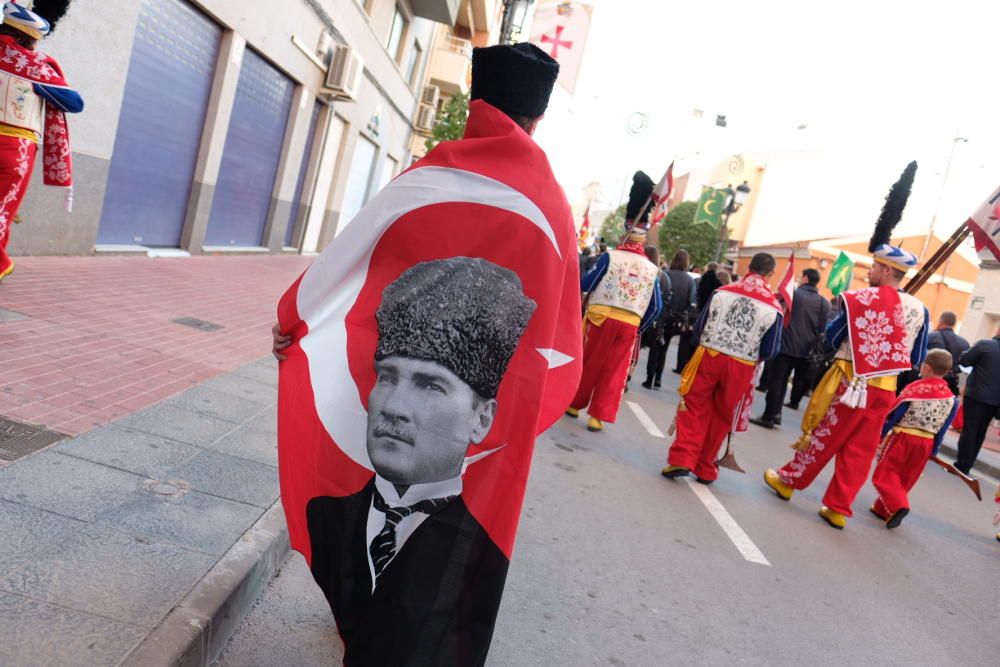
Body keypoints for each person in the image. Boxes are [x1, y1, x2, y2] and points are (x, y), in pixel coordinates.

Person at [273, 42, 583, 666]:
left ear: (475, 100)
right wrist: (515, 415)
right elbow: (562, 351)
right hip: (487, 412)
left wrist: (295, 319)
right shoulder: (552, 207)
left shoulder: (424, 178)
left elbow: (349, 259)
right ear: (537, 118)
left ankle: (358, 632)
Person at [306, 259, 534, 663]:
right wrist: (299, 341)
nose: (393, 407)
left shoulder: (482, 551)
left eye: (430, 385)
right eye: (388, 377)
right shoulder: (323, 515)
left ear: (481, 419)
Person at [764, 162, 929, 530]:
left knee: (825, 435)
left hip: (852, 381)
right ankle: (838, 507)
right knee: (860, 450)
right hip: (885, 390)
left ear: (887, 270)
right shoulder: (921, 308)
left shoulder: (861, 298)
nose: (869, 271)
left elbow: (836, 336)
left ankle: (789, 482)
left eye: (874, 266)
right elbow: (916, 358)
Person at [662, 253, 783, 484]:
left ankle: (682, 458)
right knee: (722, 415)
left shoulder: (724, 291)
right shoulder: (774, 306)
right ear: (770, 274)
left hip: (710, 354)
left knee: (694, 405)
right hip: (742, 365)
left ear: (749, 267)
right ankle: (705, 467)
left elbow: (699, 327)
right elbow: (770, 350)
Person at [568, 172, 662, 432]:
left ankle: (575, 404)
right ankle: (598, 416)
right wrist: (638, 326)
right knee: (615, 371)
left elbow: (587, 283)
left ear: (625, 231)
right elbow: (656, 308)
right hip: (629, 324)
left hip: (601, 319)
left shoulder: (611, 258)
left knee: (591, 363)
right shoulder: (652, 269)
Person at [0, 0, 83, 283]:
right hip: (15, 148)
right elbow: (74, 103)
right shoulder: (34, 64)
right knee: (3, 208)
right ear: (31, 38)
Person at [869, 349, 957, 528]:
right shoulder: (951, 399)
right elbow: (944, 427)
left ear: (926, 367)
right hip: (927, 441)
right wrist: (934, 450)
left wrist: (881, 434)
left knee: (886, 472)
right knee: (906, 477)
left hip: (903, 436)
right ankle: (883, 509)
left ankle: (899, 506)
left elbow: (895, 415)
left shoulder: (915, 388)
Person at [750, 268, 831, 429]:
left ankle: (769, 416)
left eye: (801, 277)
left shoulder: (794, 295)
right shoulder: (824, 303)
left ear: (806, 278)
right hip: (806, 350)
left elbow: (777, 310)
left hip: (785, 344)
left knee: (777, 380)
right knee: (786, 380)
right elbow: (822, 328)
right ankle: (776, 414)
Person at [953, 327, 1000, 474]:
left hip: (976, 395)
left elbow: (964, 360)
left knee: (970, 429)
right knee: (981, 431)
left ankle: (962, 464)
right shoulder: (987, 345)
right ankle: (968, 463)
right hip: (995, 401)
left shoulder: (986, 345)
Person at [639, 245, 671, 389]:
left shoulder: (642, 270)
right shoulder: (663, 276)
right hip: (656, 319)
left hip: (640, 315)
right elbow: (665, 302)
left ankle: (628, 376)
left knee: (636, 347)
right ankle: (652, 378)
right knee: (656, 351)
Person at [663, 250, 697, 374]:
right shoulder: (689, 280)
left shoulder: (665, 274)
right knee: (665, 345)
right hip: (677, 318)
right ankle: (657, 379)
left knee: (657, 347)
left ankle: (652, 377)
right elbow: (692, 301)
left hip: (663, 315)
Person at [925, 311, 969, 395]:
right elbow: (964, 363)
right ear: (954, 324)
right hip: (950, 385)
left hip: (929, 381)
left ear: (941, 321)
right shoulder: (964, 343)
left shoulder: (931, 337)